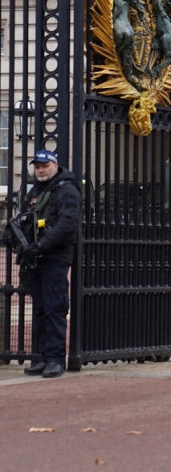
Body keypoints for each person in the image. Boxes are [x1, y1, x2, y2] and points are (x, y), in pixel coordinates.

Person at [18, 149, 81, 378]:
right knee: (40, 310)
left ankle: (55, 359)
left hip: (54, 257)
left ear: (55, 166)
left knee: (54, 308)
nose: (40, 170)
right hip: (35, 258)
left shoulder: (67, 191)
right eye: (37, 167)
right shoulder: (34, 192)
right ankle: (42, 358)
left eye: (44, 166)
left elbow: (67, 225)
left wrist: (41, 245)